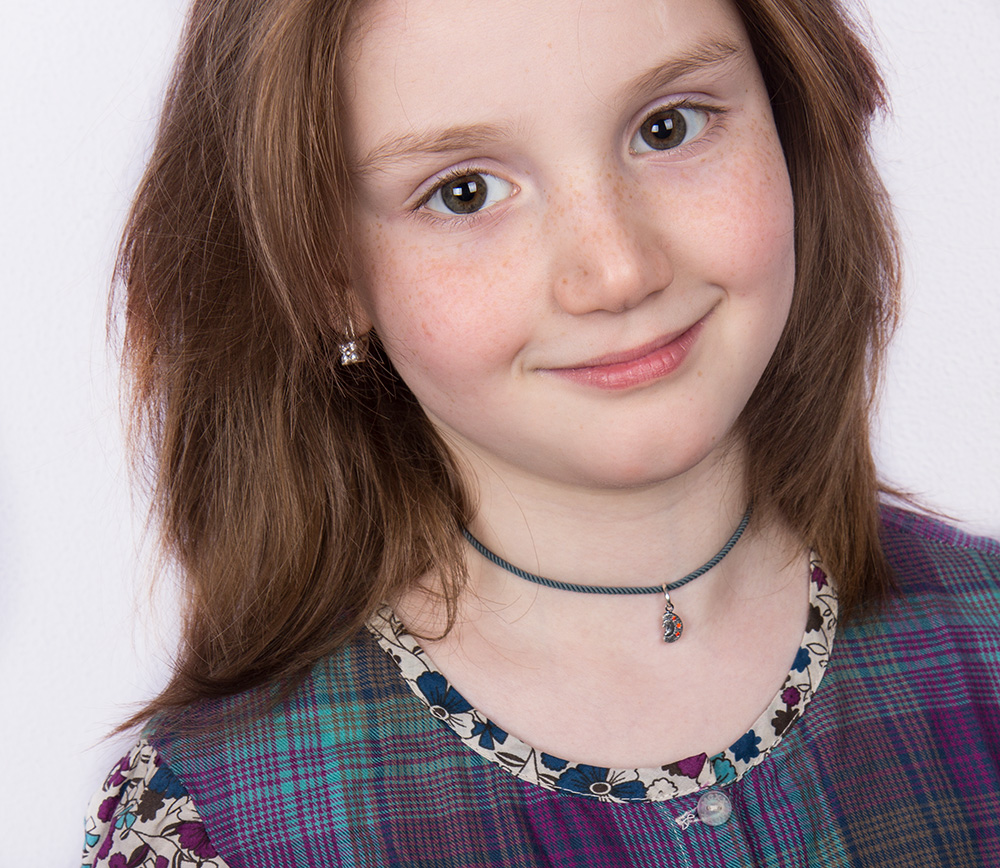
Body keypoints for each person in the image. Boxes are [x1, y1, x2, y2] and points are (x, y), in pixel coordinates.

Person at [82, 0, 1000, 864]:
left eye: (668, 127)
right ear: (326, 272)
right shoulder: (216, 828)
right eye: (465, 192)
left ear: (793, 120)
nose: (618, 271)